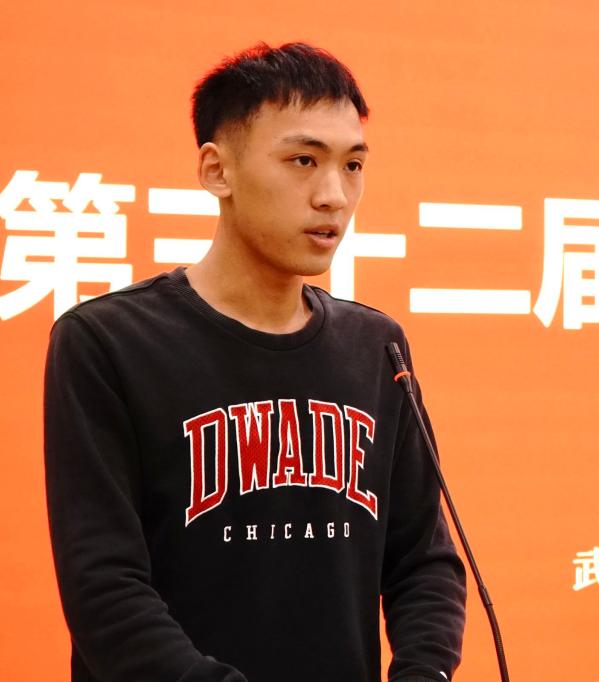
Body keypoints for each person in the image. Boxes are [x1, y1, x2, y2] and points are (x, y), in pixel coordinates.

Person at [44, 42, 466, 682]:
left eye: (353, 165)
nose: (334, 195)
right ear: (217, 170)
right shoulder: (107, 342)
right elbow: (104, 589)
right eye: (303, 160)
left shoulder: (376, 345)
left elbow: (424, 561)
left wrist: (424, 672)